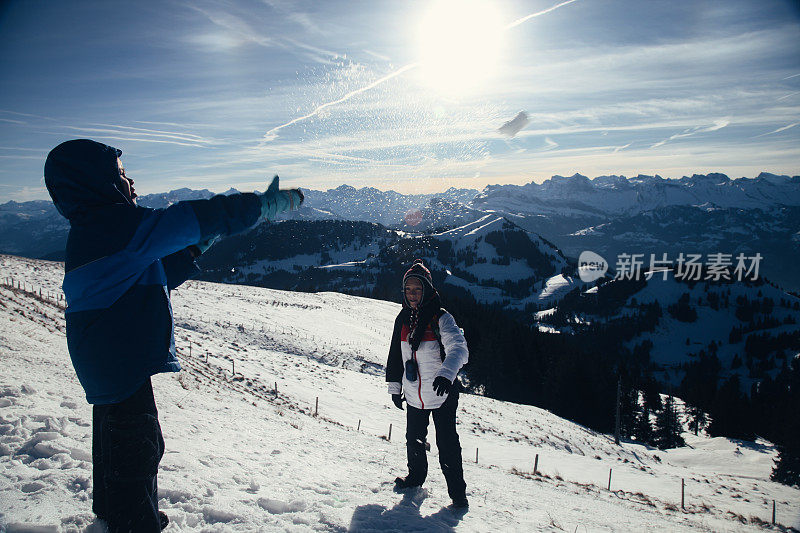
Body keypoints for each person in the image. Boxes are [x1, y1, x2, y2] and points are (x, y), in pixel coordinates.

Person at [44, 139, 303, 532]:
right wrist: (258, 206)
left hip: (110, 360)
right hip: (119, 362)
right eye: (120, 174)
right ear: (97, 181)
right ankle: (133, 522)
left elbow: (161, 273)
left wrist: (197, 246)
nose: (130, 181)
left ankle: (116, 510)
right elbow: (190, 217)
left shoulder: (100, 231)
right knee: (138, 446)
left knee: (115, 440)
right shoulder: (114, 225)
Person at [385, 259, 469, 508]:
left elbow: (459, 349)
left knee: (447, 444)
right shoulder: (402, 320)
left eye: (417, 289)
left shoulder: (441, 318)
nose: (412, 295)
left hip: (442, 393)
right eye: (408, 290)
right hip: (413, 394)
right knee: (414, 439)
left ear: (427, 290)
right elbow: (394, 356)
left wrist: (447, 373)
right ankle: (415, 478)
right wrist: (395, 388)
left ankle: (457, 494)